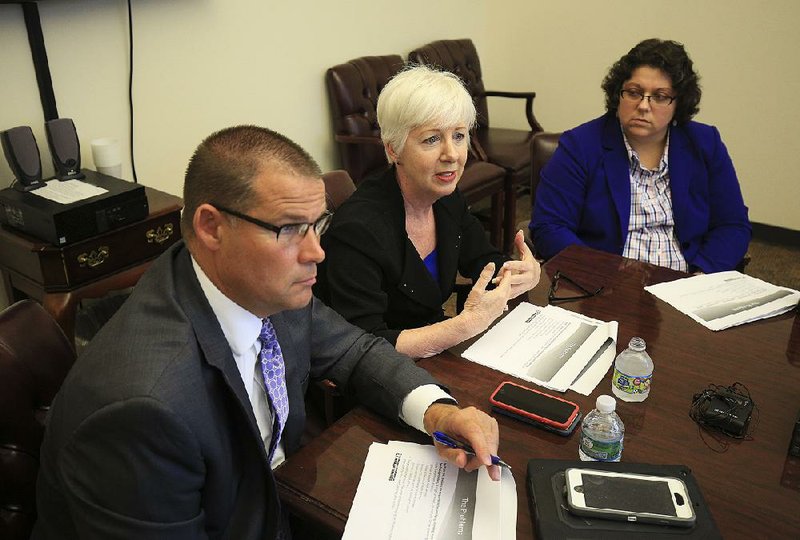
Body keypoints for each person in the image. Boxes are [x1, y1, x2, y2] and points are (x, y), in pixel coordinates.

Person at [33, 126, 502, 539]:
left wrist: (440, 413)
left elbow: (356, 350)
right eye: (290, 229)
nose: (317, 252)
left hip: (284, 493)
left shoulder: (261, 286)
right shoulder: (143, 410)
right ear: (211, 227)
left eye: (317, 225)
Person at [315, 66, 540, 358]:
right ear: (394, 149)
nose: (452, 154)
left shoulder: (446, 198)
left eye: (458, 136)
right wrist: (465, 325)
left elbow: (484, 261)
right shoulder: (358, 230)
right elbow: (365, 344)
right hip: (379, 373)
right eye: (432, 139)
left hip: (434, 350)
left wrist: (519, 273)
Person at [530, 38, 750, 273]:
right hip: (606, 285)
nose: (644, 105)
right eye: (634, 93)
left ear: (679, 103)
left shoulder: (705, 143)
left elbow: (732, 224)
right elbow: (549, 226)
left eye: (660, 96)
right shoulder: (580, 145)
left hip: (689, 281)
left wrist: (702, 275)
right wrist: (602, 276)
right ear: (618, 95)